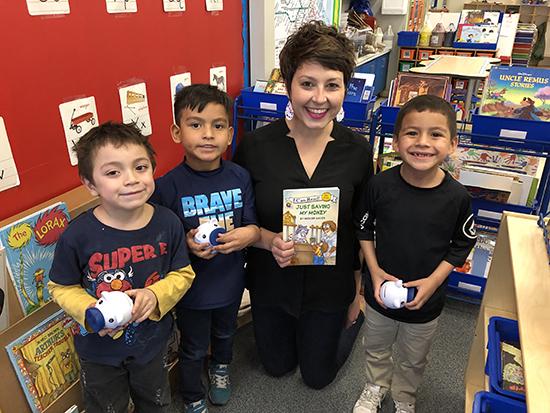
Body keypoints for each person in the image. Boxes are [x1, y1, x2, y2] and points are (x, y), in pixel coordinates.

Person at [233, 20, 373, 389]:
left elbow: (361, 228)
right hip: (272, 281)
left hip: (330, 286)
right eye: (307, 83)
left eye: (332, 85)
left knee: (317, 377)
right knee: (276, 367)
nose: (319, 98)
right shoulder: (255, 147)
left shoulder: (358, 151)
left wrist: (356, 295)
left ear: (346, 88)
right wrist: (267, 239)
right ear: (288, 86)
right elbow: (240, 216)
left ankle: (346, 326)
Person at [48, 122, 196, 413]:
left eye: (140, 167)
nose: (131, 180)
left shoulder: (168, 223)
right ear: (91, 185)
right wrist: (92, 312)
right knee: (105, 407)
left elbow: (183, 274)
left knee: (155, 402)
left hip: (152, 344)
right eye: (113, 172)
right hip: (98, 351)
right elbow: (61, 286)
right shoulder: (77, 235)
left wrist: (155, 295)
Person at [353, 95, 477, 413]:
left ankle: (405, 396)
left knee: (414, 355)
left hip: (427, 300)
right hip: (380, 292)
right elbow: (364, 228)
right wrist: (375, 270)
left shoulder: (457, 197)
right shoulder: (379, 186)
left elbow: (462, 245)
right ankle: (376, 385)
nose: (422, 143)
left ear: (452, 143)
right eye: (412, 133)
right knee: (376, 346)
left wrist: (434, 282)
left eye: (435, 134)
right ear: (395, 141)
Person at [151, 84, 260, 413]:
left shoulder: (240, 176)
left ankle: (221, 368)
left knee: (226, 333)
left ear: (229, 134)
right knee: (194, 346)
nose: (207, 135)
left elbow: (252, 224)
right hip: (191, 290)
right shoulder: (166, 187)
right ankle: (191, 393)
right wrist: (184, 244)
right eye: (195, 124)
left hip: (230, 281)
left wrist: (247, 235)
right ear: (176, 131)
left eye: (217, 126)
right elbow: (160, 244)